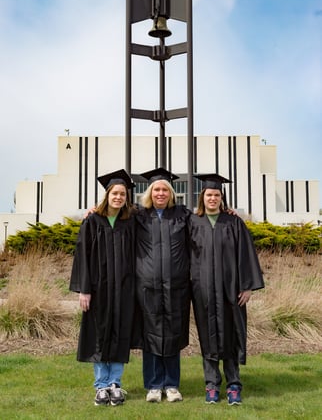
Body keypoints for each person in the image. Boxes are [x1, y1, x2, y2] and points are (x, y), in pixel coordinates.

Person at [189, 173, 264, 406]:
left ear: (222, 198)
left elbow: (246, 255)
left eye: (217, 195)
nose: (213, 198)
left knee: (231, 335)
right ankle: (211, 384)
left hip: (231, 291)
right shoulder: (192, 222)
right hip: (203, 291)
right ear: (202, 196)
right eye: (209, 194)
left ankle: (233, 384)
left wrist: (248, 287)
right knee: (207, 336)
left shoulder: (233, 222)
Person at [69, 169, 136, 407]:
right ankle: (101, 386)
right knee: (99, 335)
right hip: (98, 290)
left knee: (120, 333)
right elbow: (83, 257)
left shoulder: (131, 221)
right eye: (115, 193)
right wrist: (84, 290)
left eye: (122, 194)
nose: (118, 197)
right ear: (107, 195)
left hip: (124, 289)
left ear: (127, 197)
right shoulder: (92, 221)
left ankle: (115, 384)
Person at [133, 167, 191, 403]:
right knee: (151, 335)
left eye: (164, 189)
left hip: (176, 286)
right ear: (149, 192)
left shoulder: (183, 216)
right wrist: (94, 210)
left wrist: (228, 211)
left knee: (173, 335)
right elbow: (110, 215)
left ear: (171, 193)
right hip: (148, 286)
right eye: (156, 189)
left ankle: (172, 385)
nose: (160, 193)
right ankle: (154, 385)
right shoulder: (138, 216)